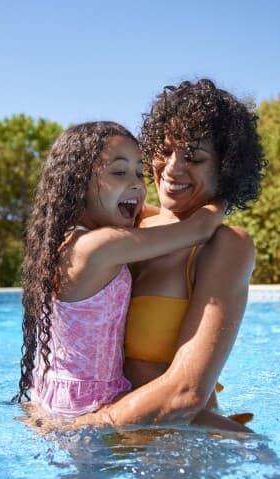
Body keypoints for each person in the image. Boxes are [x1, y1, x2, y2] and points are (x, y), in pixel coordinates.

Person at [82, 79, 265, 431]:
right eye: (164, 150)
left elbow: (186, 394)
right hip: (110, 442)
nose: (172, 169)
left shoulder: (224, 246)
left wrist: (84, 427)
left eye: (194, 158)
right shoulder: (128, 221)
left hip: (177, 446)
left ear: (226, 167)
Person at [16, 121, 228, 418]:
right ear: (77, 185)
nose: (138, 185)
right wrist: (226, 187)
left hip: (53, 396)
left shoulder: (67, 242)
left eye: (140, 172)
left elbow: (155, 215)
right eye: (119, 172)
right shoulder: (100, 247)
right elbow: (200, 228)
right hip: (89, 408)